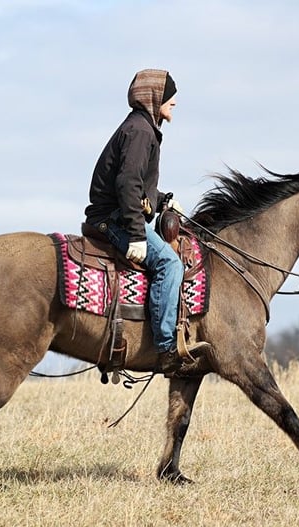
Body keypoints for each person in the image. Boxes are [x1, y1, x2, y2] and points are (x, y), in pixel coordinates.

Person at [83, 68, 210, 376]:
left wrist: (163, 199)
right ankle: (166, 348)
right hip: (113, 219)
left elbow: (137, 185)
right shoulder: (140, 131)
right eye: (169, 95)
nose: (175, 101)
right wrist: (137, 235)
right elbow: (127, 184)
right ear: (154, 97)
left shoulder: (142, 128)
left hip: (119, 213)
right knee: (170, 264)